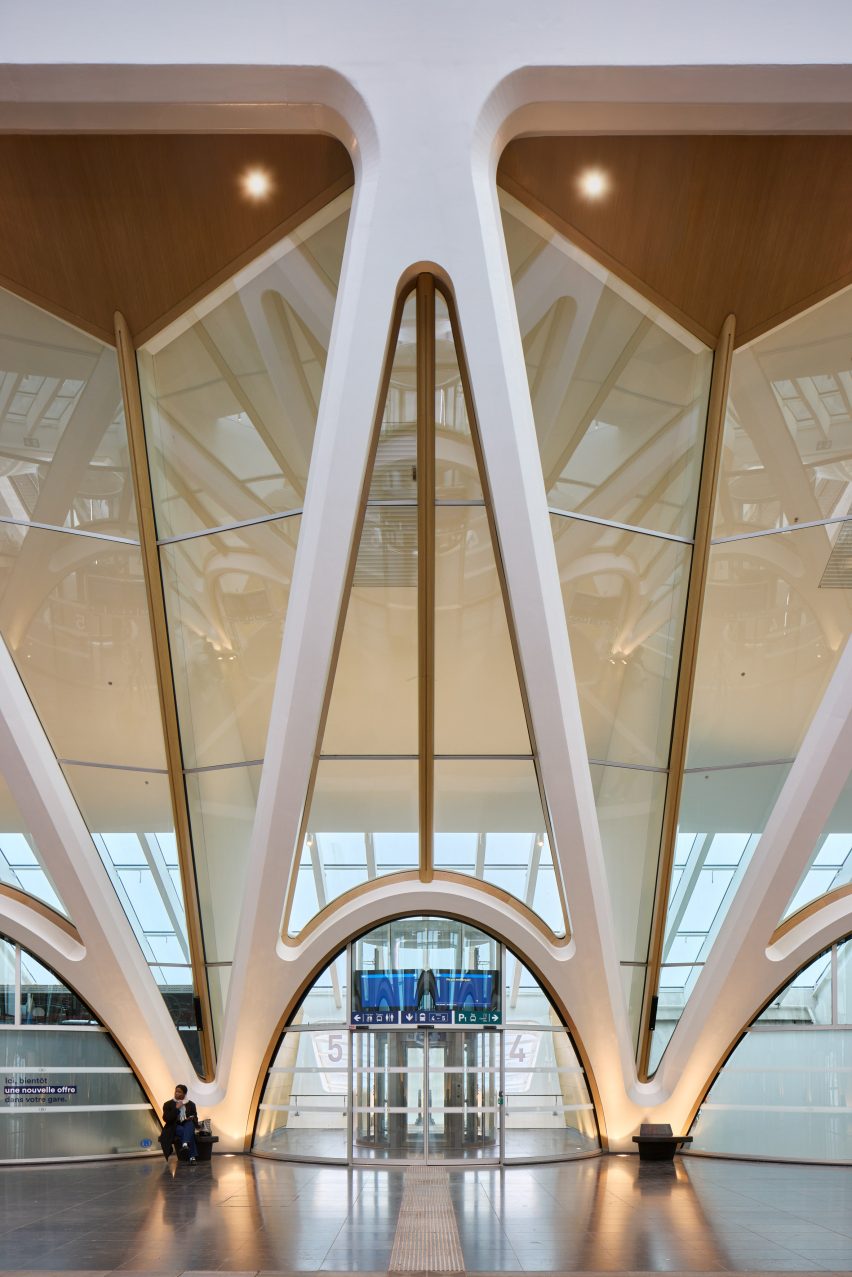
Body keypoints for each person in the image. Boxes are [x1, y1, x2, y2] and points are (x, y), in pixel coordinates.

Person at [159, 1084, 199, 1163]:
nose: (177, 1093)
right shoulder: (168, 1104)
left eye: (179, 1092)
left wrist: (191, 1118)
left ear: (184, 1094)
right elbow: (167, 1119)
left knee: (190, 1124)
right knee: (185, 1132)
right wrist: (176, 1108)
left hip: (187, 1124)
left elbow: (196, 1118)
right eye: (176, 1091)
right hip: (173, 1126)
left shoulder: (191, 1104)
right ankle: (192, 1157)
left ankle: (184, 1144)